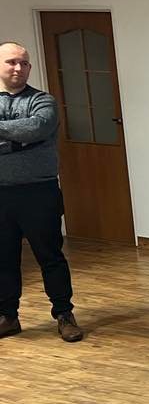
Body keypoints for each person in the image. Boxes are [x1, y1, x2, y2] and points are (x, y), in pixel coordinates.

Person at [0, 41, 83, 342]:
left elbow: (37, 128)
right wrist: (19, 141)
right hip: (2, 194)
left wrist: (14, 137)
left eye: (23, 63)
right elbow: (26, 134)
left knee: (50, 256)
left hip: (39, 192)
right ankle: (8, 316)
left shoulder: (43, 101)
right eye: (11, 62)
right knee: (4, 258)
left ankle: (64, 314)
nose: (18, 68)